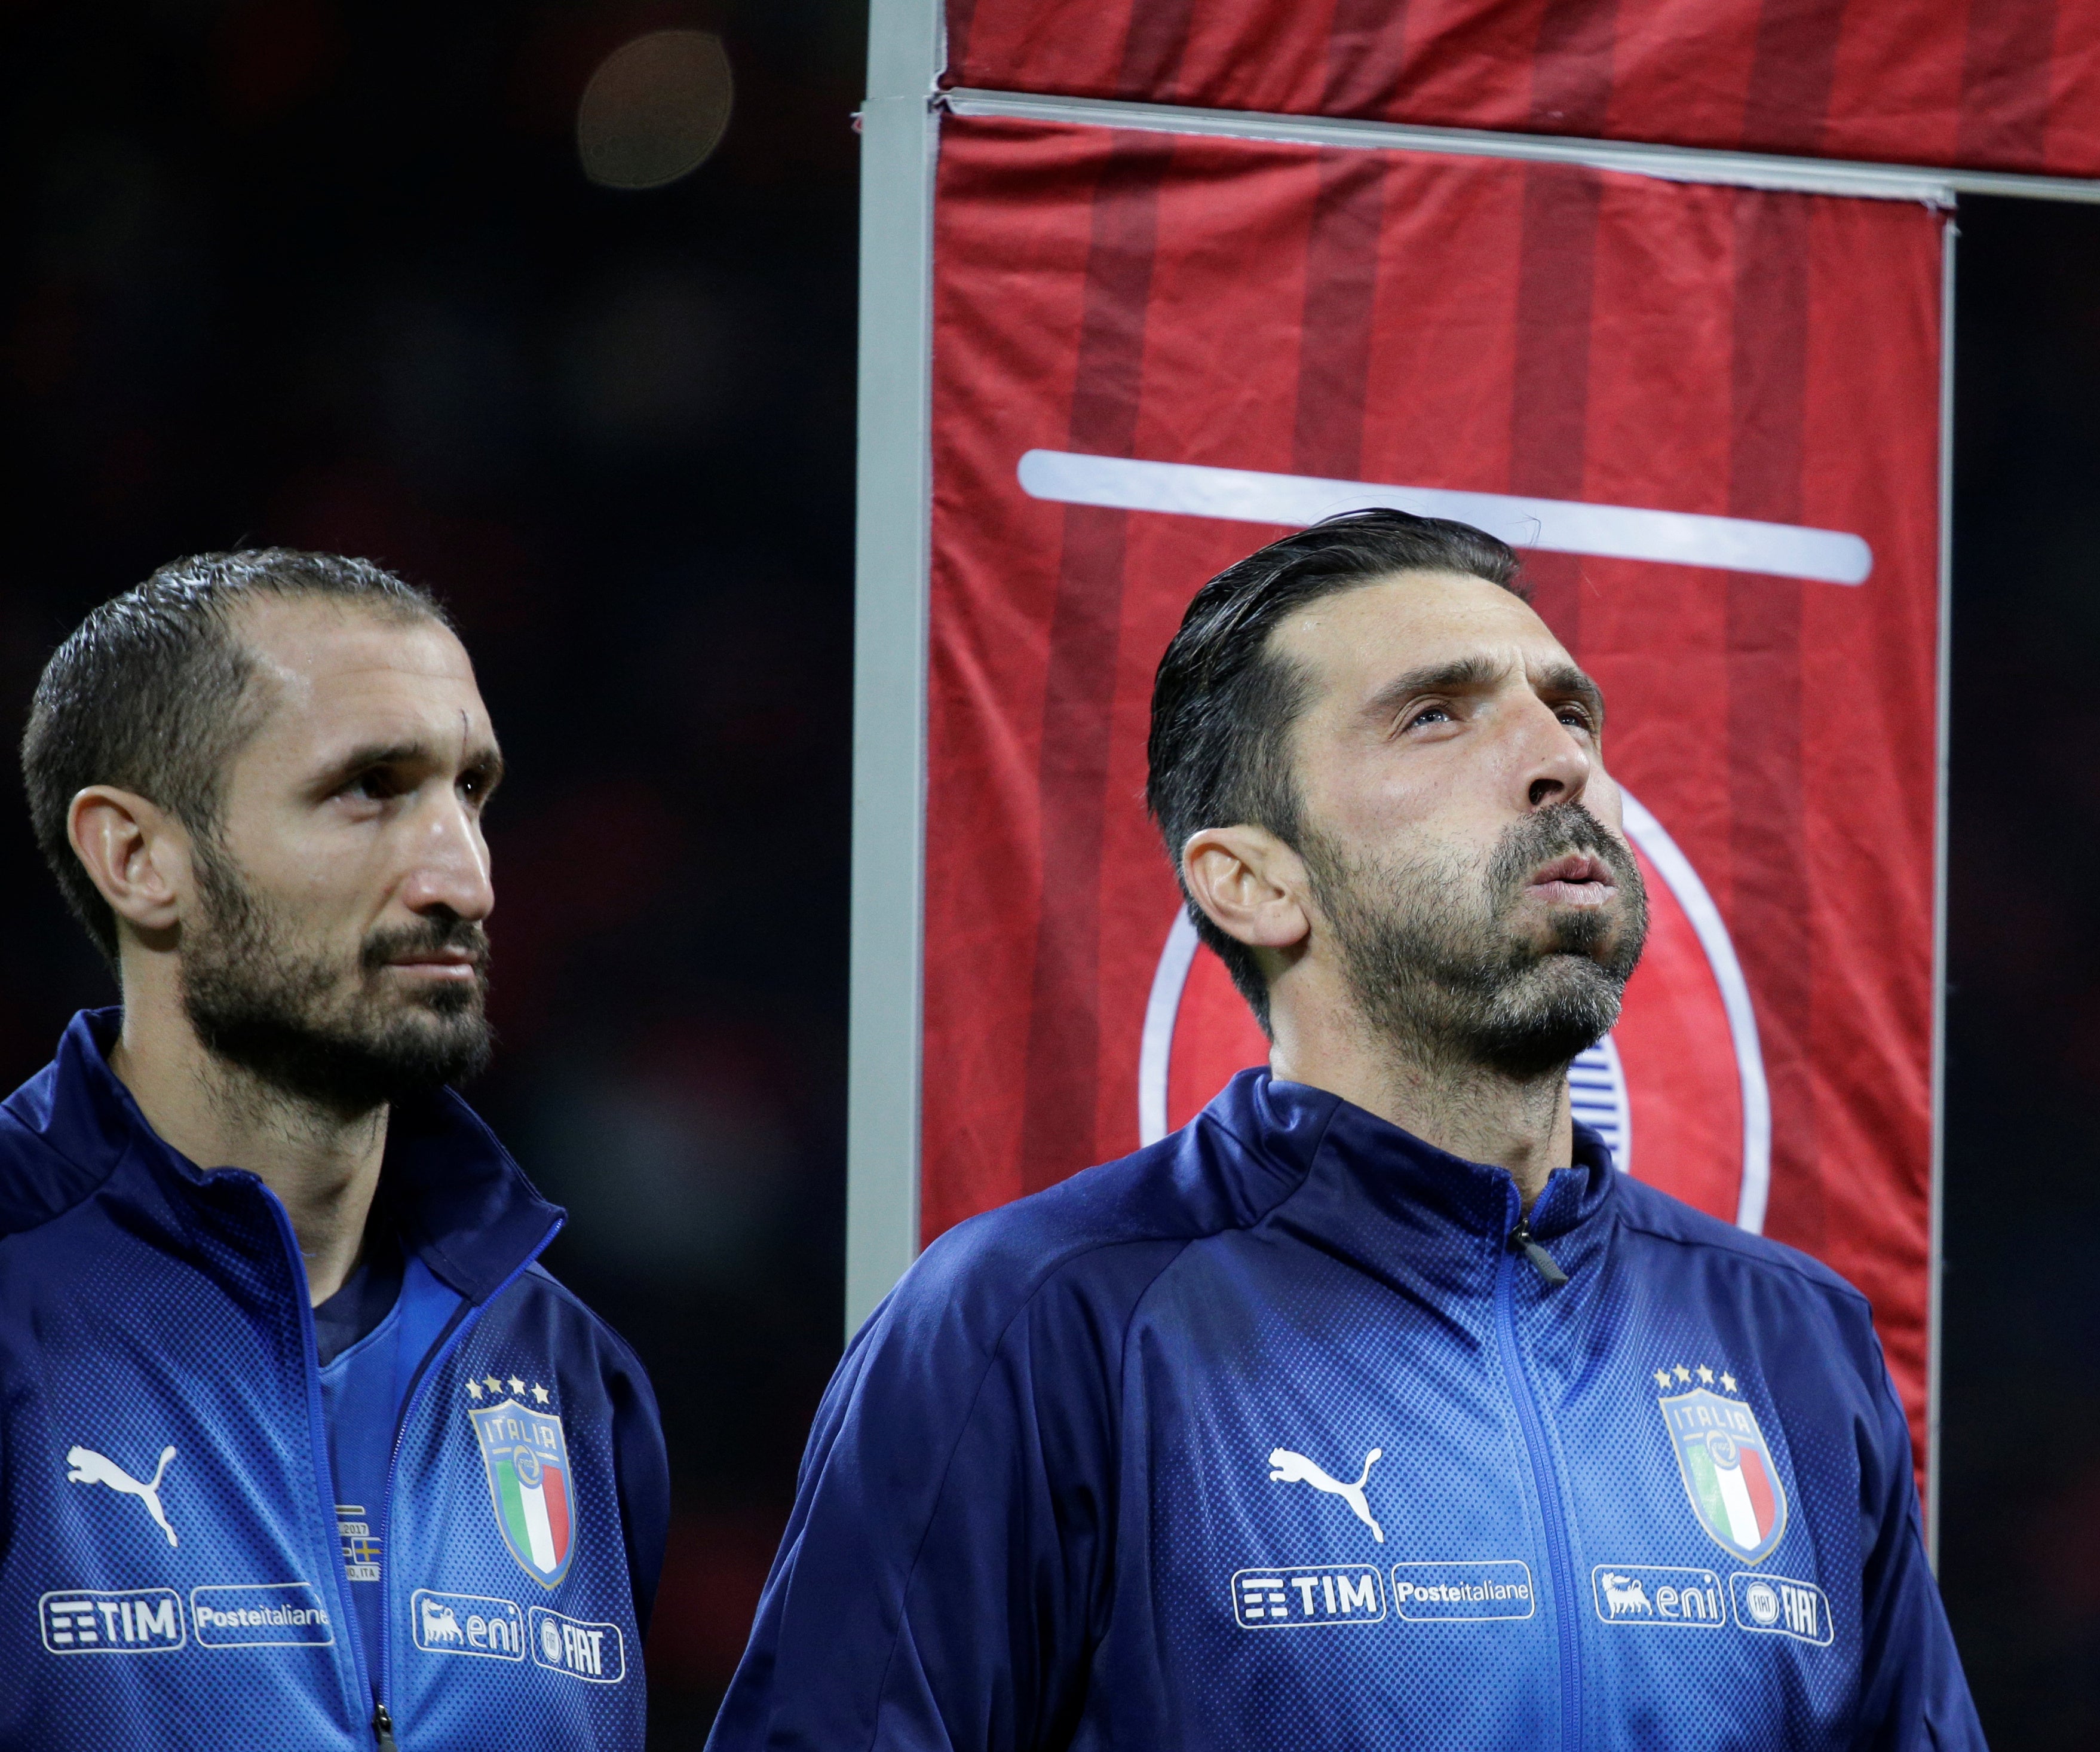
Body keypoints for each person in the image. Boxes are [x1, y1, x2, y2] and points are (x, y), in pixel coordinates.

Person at [712, 510, 1985, 1750]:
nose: (1562, 761)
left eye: (1568, 709)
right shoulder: (1036, 1319)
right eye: (1437, 712)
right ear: (1254, 881)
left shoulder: (1793, 1340)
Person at [2, 551, 666, 1750]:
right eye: (372, 786)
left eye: (473, 789)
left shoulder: (572, 1370)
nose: (463, 876)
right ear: (138, 858)